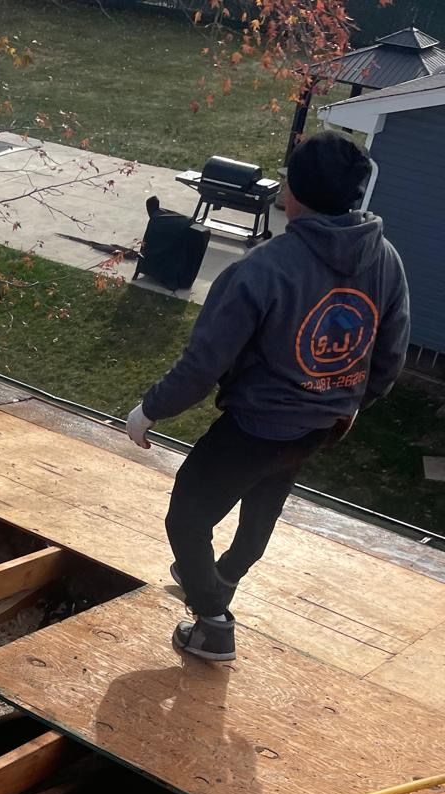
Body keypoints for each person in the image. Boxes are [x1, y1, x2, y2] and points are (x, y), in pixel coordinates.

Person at [126, 130, 410, 663]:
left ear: (291, 193)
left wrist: (149, 410)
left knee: (187, 517)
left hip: (254, 429)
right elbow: (389, 357)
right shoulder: (386, 261)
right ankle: (224, 578)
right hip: (316, 429)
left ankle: (212, 620)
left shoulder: (259, 271)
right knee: (262, 509)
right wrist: (347, 403)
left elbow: (203, 365)